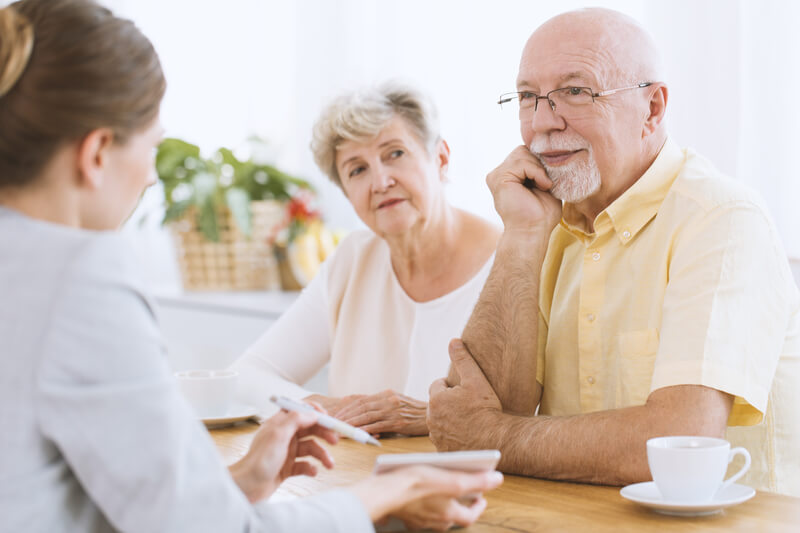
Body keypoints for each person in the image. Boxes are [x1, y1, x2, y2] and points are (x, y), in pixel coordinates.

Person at [0, 1, 503, 531]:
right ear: (97, 152)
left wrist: (240, 482)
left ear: (441, 157)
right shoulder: (81, 280)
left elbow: (135, 506)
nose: (151, 177)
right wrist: (389, 493)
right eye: (151, 149)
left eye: (395, 154)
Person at [426, 7, 800, 496]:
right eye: (527, 97)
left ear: (653, 109)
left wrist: (495, 438)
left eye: (575, 91)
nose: (541, 122)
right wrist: (520, 236)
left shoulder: (721, 217)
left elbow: (680, 442)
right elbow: (480, 406)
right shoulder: (547, 220)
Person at [231, 83, 500, 436]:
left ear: (441, 159)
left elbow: (532, 414)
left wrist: (430, 417)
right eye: (357, 170)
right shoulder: (351, 260)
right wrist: (331, 409)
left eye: (395, 154)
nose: (381, 181)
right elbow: (245, 377)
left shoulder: (511, 259)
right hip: (364, 484)